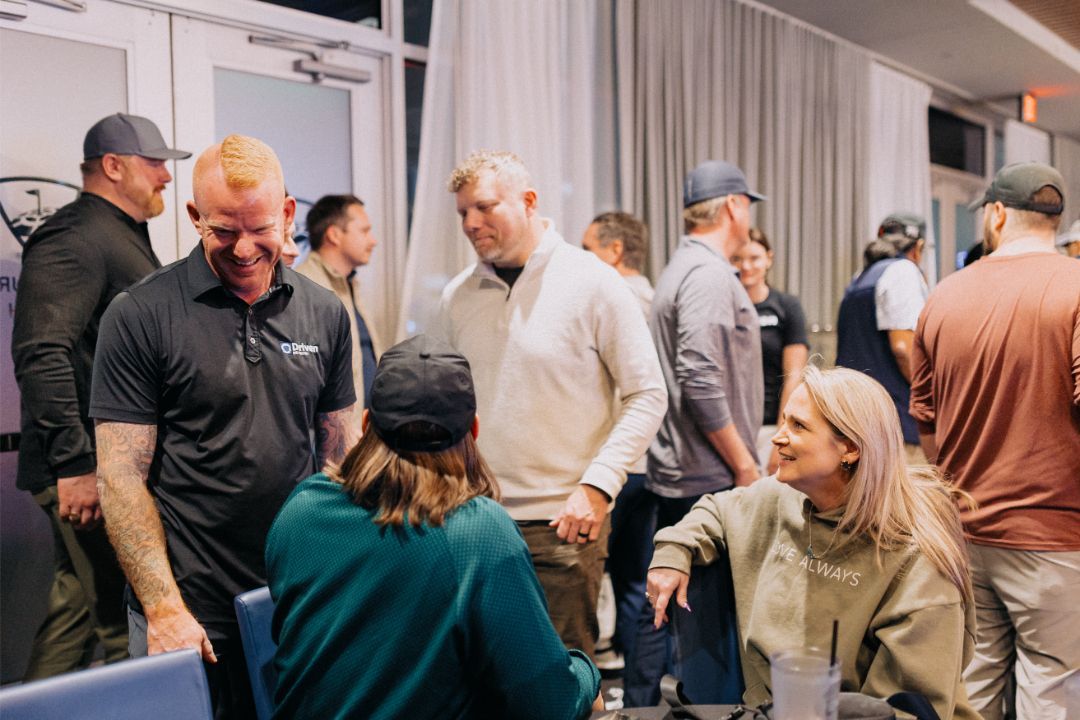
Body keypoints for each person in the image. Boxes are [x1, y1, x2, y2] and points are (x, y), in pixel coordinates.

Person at [90, 134, 356, 719]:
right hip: (187, 610)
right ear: (194, 217)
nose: (242, 249)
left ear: (288, 214)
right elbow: (120, 477)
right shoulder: (139, 315)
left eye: (259, 227)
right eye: (222, 229)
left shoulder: (325, 312)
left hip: (295, 600)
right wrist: (163, 609)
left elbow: (341, 460)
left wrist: (344, 582)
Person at [266, 334, 603, 720]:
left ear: (365, 424)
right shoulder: (477, 532)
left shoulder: (301, 508)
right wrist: (587, 673)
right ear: (473, 431)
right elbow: (549, 705)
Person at [432, 150, 666, 660]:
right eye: (463, 212)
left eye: (485, 207)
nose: (471, 223)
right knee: (480, 680)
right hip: (473, 520)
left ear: (530, 201)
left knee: (560, 684)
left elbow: (648, 393)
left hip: (562, 523)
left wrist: (599, 484)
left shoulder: (595, 282)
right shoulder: (457, 297)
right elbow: (442, 404)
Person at [647, 366, 979, 720]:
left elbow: (907, 708)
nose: (778, 437)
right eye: (784, 421)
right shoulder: (780, 496)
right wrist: (673, 553)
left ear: (850, 448)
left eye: (798, 426)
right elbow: (716, 508)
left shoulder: (917, 562)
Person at [11, 112, 189, 679]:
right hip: (89, 469)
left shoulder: (117, 235)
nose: (165, 176)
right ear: (113, 167)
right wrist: (75, 464)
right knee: (124, 628)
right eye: (155, 163)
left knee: (76, 614)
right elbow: (42, 351)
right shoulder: (76, 236)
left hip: (103, 468)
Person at [911, 162, 1080, 719]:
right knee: (1051, 690)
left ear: (998, 213)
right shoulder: (1076, 288)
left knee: (971, 691)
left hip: (964, 532)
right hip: (1055, 537)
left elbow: (925, 417)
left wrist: (959, 488)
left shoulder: (943, 294)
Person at [634, 160, 764, 706]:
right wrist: (744, 464)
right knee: (701, 627)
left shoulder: (681, 268)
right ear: (734, 206)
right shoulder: (709, 276)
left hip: (686, 467)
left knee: (670, 607)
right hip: (706, 474)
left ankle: (646, 708)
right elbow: (701, 377)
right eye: (748, 206)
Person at [582, 210, 654, 681]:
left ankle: (592, 683)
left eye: (589, 250)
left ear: (615, 251)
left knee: (593, 577)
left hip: (612, 461)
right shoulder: (656, 296)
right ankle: (634, 679)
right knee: (634, 579)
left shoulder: (613, 298)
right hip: (647, 462)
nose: (581, 259)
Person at [836, 212, 929, 464]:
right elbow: (903, 348)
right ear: (918, 248)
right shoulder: (903, 272)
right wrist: (930, 400)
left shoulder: (860, 278)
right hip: (897, 423)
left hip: (856, 419)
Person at [296, 194, 383, 418]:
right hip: (333, 444)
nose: (373, 241)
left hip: (365, 438)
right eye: (364, 231)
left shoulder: (350, 285)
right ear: (334, 235)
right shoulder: (305, 289)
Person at [732, 228, 809, 475]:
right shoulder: (723, 307)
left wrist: (782, 436)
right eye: (737, 259)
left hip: (772, 425)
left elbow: (794, 376)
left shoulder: (786, 306)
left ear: (768, 258)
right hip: (732, 430)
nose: (746, 266)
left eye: (754, 258)